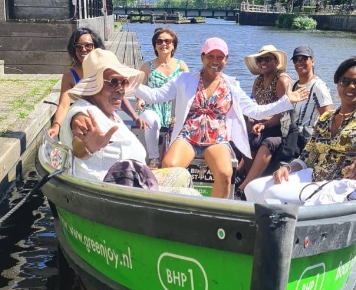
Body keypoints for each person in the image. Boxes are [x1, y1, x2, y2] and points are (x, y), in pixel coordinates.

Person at [135, 38, 309, 198]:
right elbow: (156, 95)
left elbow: (255, 111)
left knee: (226, 174)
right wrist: (130, 84)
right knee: (169, 165)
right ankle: (180, 208)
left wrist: (287, 101)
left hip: (217, 139)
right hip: (188, 136)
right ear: (202, 57)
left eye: (220, 57)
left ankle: (212, 217)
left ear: (226, 59)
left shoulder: (231, 85)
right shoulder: (184, 79)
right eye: (211, 56)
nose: (215, 61)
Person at [245, 57, 356, 203]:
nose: (351, 86)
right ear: (338, 84)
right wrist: (288, 168)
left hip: (347, 184)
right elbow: (307, 157)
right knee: (253, 188)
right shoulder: (325, 119)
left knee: (275, 195)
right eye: (345, 81)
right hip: (316, 178)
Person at [60, 48, 146, 182]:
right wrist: (88, 148)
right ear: (94, 85)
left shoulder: (106, 109)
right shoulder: (83, 114)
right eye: (113, 82)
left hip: (135, 180)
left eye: (123, 82)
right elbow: (78, 147)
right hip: (112, 191)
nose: (121, 89)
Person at [48, 28, 146, 140]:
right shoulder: (70, 75)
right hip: (87, 121)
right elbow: (64, 104)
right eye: (78, 47)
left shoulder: (106, 71)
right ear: (73, 50)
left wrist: (135, 117)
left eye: (88, 45)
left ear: (95, 46)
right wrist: (56, 125)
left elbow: (119, 95)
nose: (83, 50)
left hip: (109, 117)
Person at [237, 45, 291, 192]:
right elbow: (252, 103)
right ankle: (243, 174)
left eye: (267, 59)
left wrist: (264, 124)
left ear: (275, 61)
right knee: (245, 136)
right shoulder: (258, 81)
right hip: (260, 123)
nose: (263, 62)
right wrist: (251, 118)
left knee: (264, 142)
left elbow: (284, 112)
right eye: (260, 59)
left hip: (279, 128)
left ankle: (246, 185)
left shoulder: (281, 81)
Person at [136, 27, 189, 168]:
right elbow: (140, 90)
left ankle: (174, 160)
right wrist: (140, 100)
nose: (163, 44)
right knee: (151, 121)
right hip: (152, 107)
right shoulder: (147, 66)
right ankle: (154, 158)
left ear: (173, 45)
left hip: (174, 110)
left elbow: (188, 92)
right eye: (159, 41)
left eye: (167, 41)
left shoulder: (181, 66)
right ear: (155, 45)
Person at [290, 45, 333, 152]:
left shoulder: (318, 86)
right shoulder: (293, 85)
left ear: (312, 61)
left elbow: (329, 118)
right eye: (296, 60)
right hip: (292, 136)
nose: (299, 62)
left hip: (306, 140)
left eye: (304, 59)